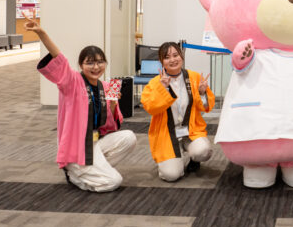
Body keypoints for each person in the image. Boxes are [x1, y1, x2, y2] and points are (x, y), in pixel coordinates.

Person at [25, 14, 137, 192]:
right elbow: (59, 59)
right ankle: (75, 174)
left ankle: (92, 170)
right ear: (81, 65)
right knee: (114, 181)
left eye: (100, 62)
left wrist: (113, 105)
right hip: (77, 146)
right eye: (90, 63)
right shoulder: (72, 82)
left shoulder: (106, 87)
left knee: (129, 137)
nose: (96, 67)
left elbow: (110, 127)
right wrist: (42, 33)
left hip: (95, 142)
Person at [140, 42, 215, 182]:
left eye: (176, 55)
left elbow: (205, 107)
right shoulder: (155, 83)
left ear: (182, 56)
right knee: (171, 175)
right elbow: (151, 108)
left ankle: (194, 158)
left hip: (190, 130)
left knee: (203, 151)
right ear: (161, 61)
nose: (173, 60)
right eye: (167, 57)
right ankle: (170, 161)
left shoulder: (194, 77)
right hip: (167, 134)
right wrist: (163, 89)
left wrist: (202, 93)